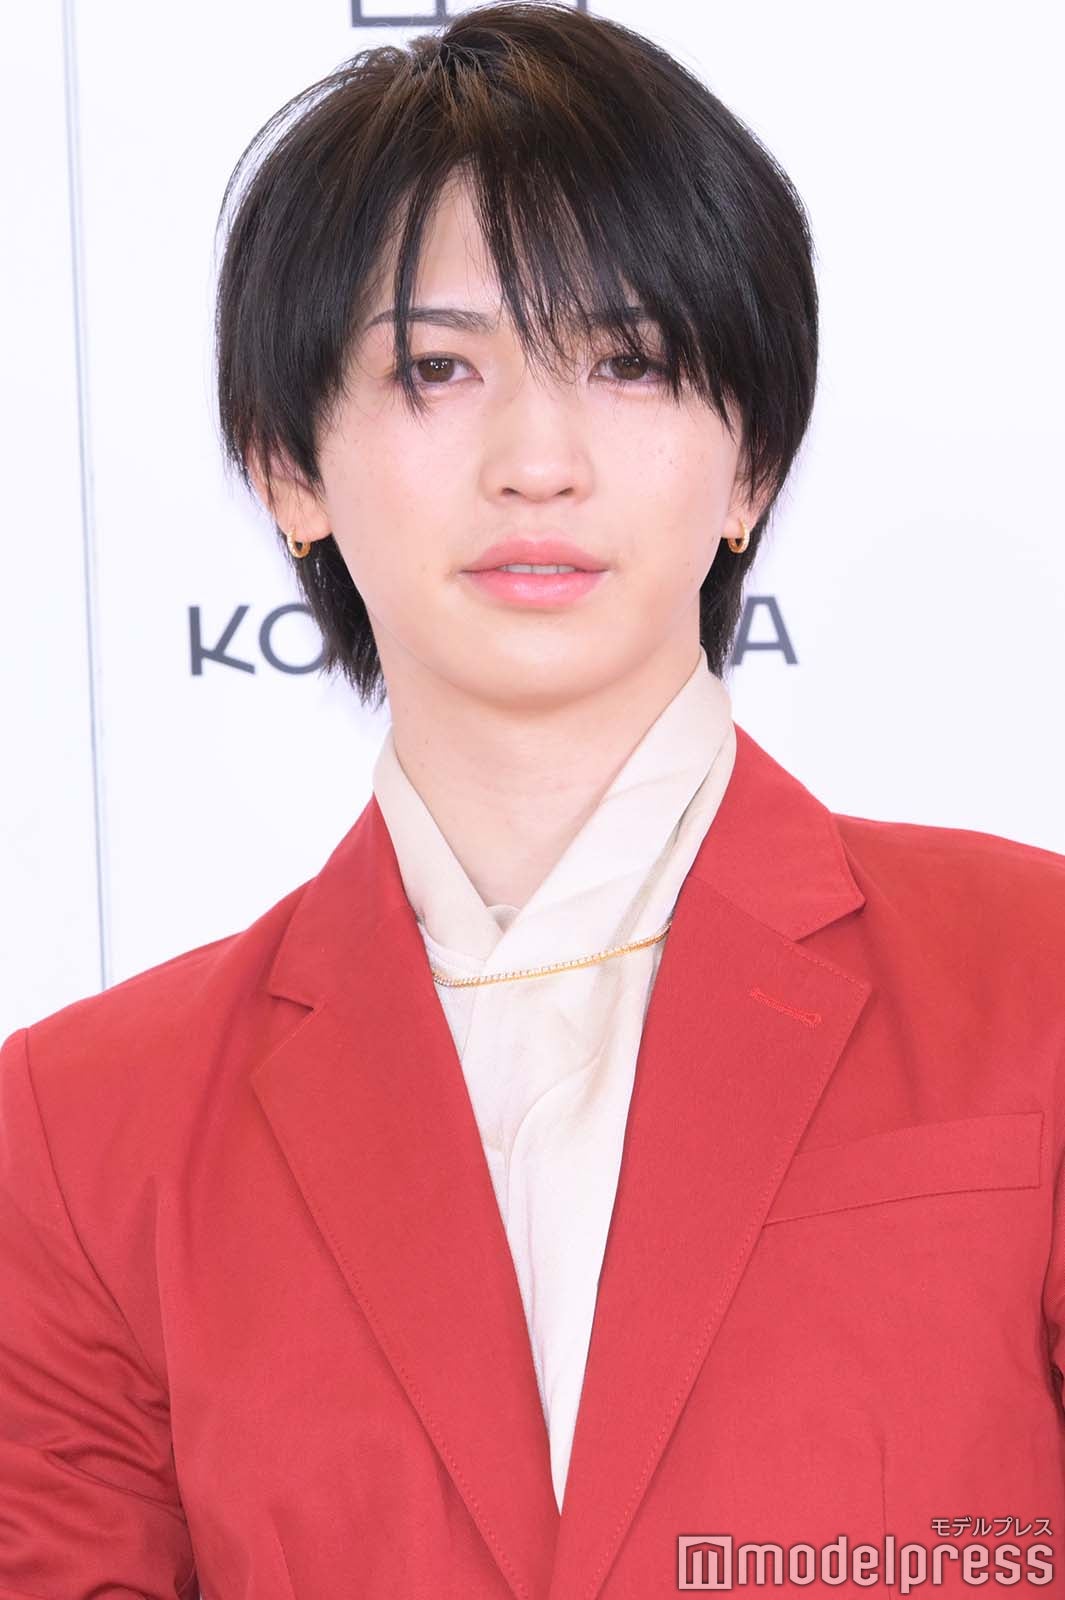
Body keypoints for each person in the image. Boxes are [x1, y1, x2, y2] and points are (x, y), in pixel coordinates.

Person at [2, 3, 1064, 1595]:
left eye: (626, 361)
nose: (537, 459)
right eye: (436, 368)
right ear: (285, 467)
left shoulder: (1031, 977)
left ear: (752, 463)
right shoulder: (85, 1133)